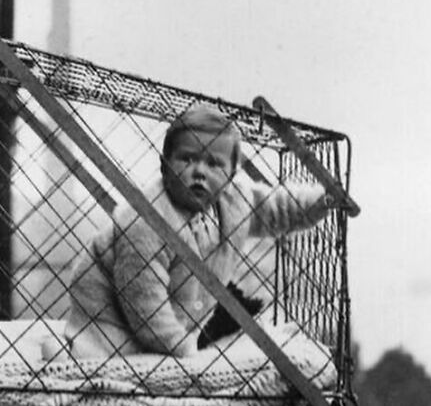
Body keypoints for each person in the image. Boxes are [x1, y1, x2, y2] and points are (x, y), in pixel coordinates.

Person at [55, 103, 335, 361]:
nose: (199, 171)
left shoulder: (234, 201)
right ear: (164, 165)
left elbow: (279, 208)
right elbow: (145, 304)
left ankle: (171, 344)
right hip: (109, 316)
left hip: (178, 317)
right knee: (106, 353)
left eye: (214, 163)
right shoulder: (145, 221)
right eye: (187, 159)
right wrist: (185, 353)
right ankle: (73, 345)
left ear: (231, 174)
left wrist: (321, 202)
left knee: (190, 341)